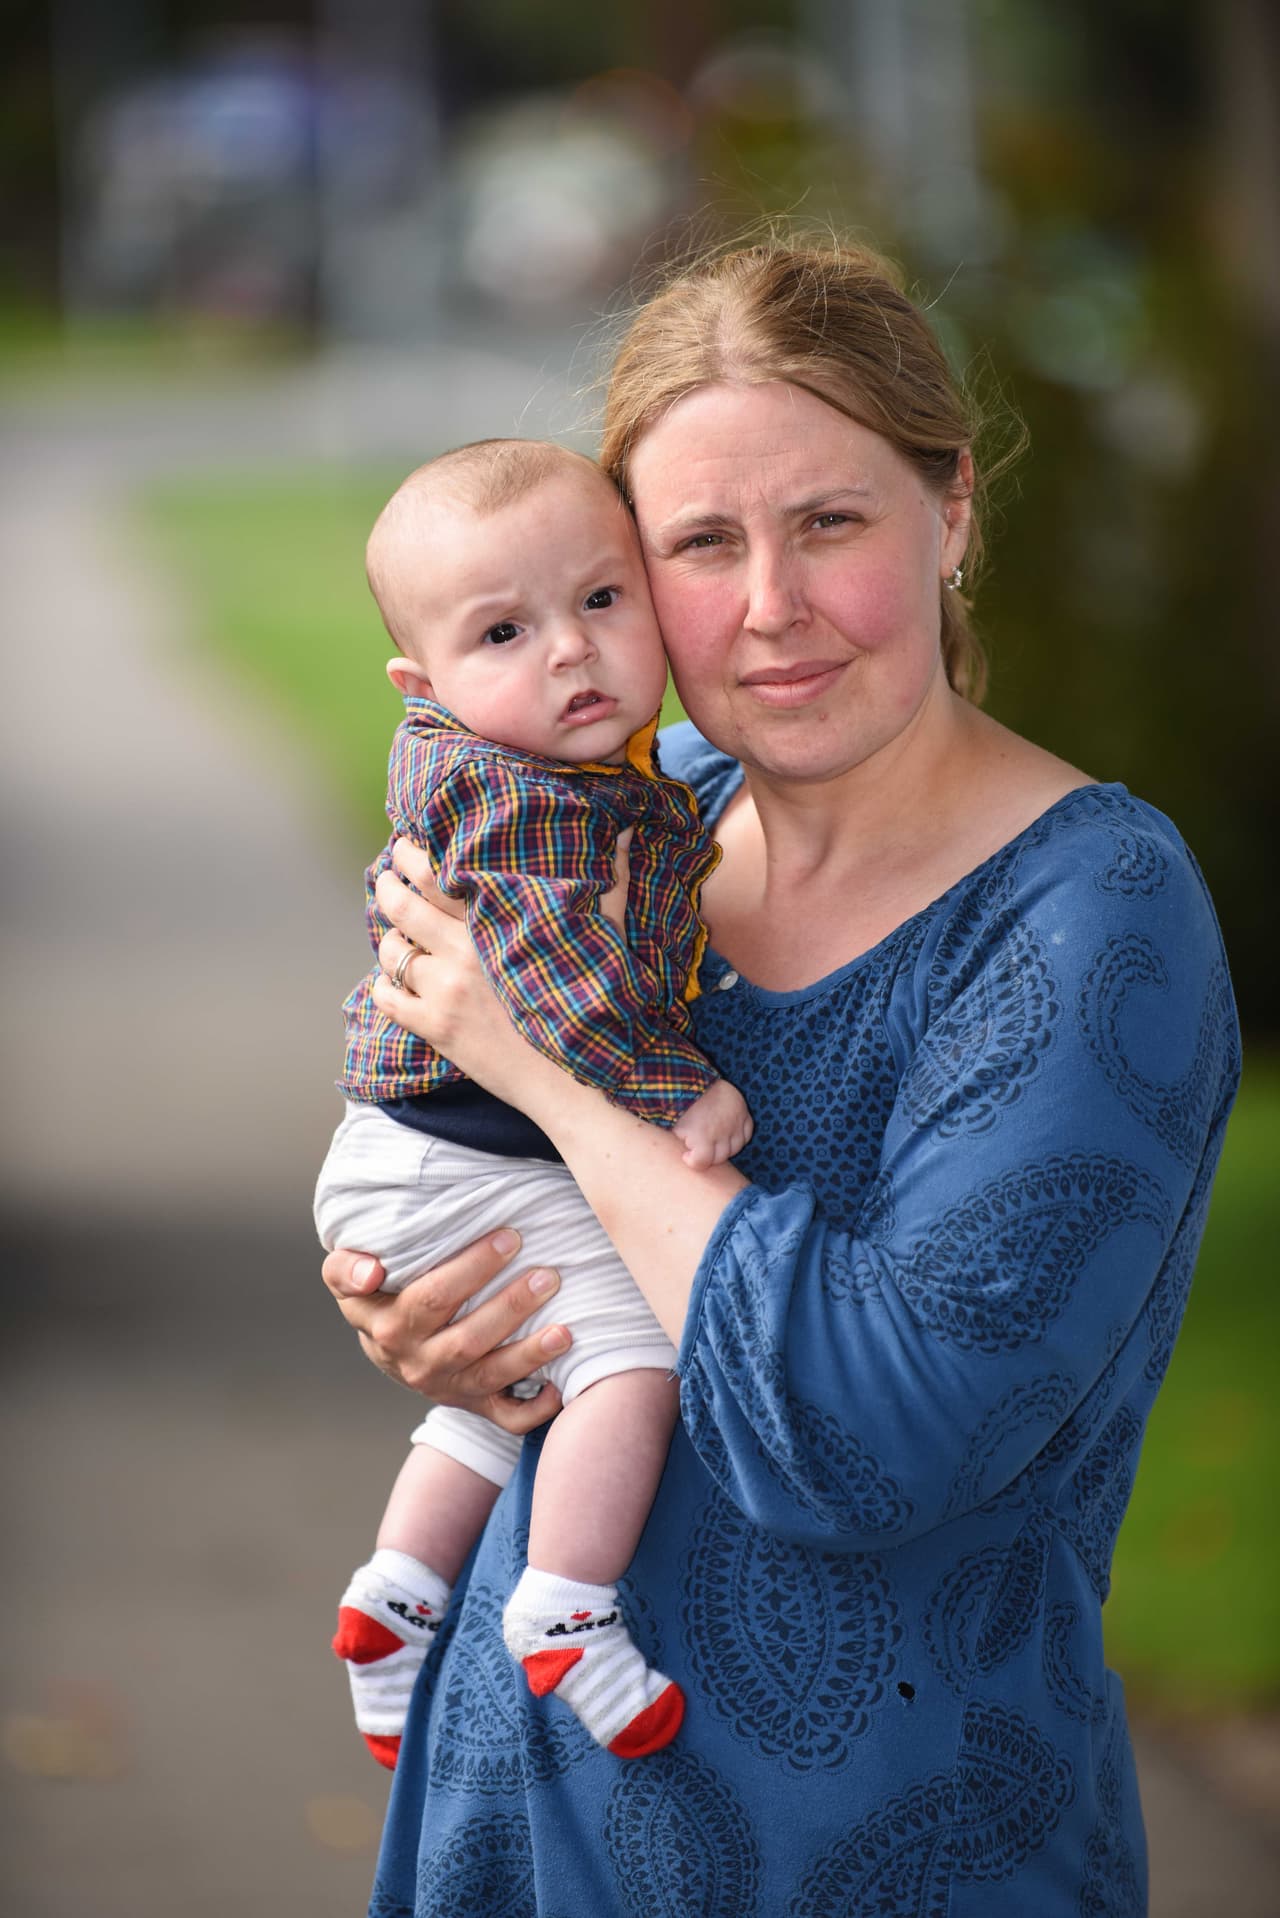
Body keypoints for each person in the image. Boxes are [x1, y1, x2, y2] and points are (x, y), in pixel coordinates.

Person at [323, 238, 1241, 1916]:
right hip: (512, 1813)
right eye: (698, 544)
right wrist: (420, 1308)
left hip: (890, 1843)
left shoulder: (1092, 911)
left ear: (951, 512)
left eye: (829, 522)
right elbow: (437, 1135)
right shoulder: (628, 813)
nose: (770, 606)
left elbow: (865, 1432)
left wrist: (554, 1083)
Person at [315, 438, 752, 1772]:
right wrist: (686, 1089)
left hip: (426, 1156)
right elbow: (557, 998)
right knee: (632, 1362)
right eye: (506, 629)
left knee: (512, 1379)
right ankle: (563, 1605)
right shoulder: (522, 807)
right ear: (423, 682)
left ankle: (398, 1593)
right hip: (459, 1154)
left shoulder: (590, 773)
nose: (572, 653)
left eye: (602, 602)